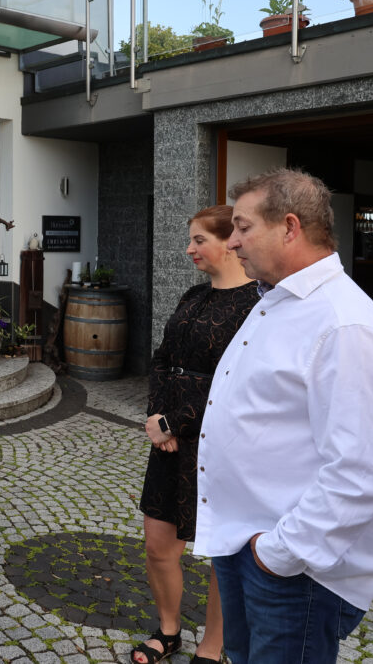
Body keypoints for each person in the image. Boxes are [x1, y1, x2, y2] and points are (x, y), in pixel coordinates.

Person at [194, 169, 373, 663]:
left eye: (243, 228)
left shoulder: (343, 322)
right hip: (247, 544)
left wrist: (277, 555)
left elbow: (359, 470)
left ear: (290, 227)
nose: (232, 243)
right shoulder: (277, 299)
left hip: (293, 569)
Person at [132, 205, 258, 664]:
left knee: (222, 553)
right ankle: (169, 630)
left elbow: (239, 381)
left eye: (198, 240)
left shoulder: (256, 306)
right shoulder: (192, 296)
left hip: (222, 447)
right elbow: (162, 359)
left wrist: (177, 422)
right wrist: (155, 417)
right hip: (168, 443)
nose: (189, 249)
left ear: (230, 242)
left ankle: (213, 645)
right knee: (158, 545)